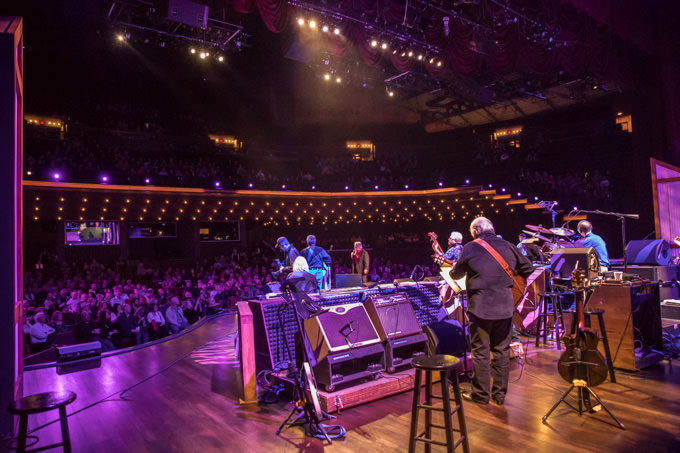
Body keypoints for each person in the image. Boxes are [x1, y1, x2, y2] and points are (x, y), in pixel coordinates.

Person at [451, 217, 534, 405]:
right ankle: (499, 395)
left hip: (481, 307)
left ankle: (481, 395)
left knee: (480, 351)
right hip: (505, 307)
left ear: (475, 232)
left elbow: (456, 274)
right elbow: (528, 268)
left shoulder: (471, 247)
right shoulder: (509, 245)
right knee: (502, 350)